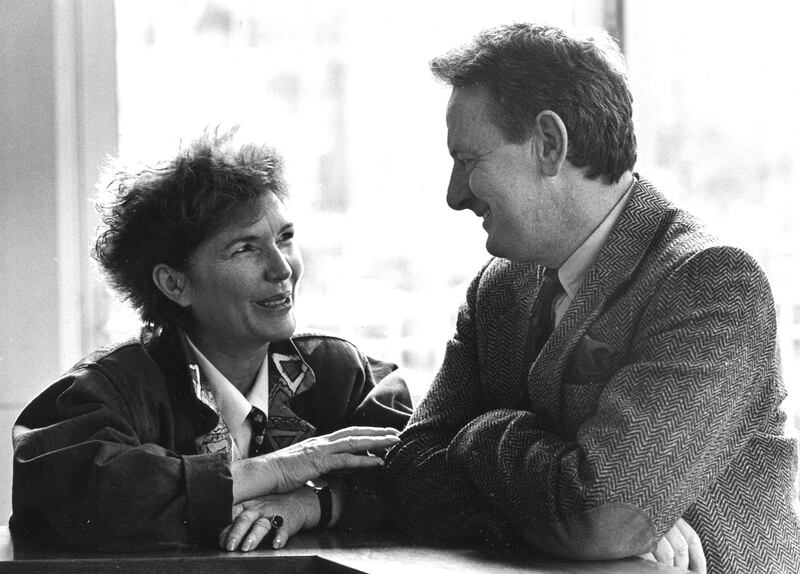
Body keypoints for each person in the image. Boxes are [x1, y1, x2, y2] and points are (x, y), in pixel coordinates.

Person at [385, 22, 800, 574]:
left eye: (468, 160)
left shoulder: (712, 285)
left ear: (550, 145)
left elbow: (601, 513)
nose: (454, 194)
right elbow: (411, 471)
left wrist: (482, 430)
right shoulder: (498, 288)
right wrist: (581, 521)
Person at [11, 130, 412, 552]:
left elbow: (415, 467)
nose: (282, 269)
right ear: (174, 283)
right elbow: (83, 496)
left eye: (285, 238)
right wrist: (278, 469)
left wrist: (308, 503)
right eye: (245, 248)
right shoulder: (107, 393)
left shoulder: (338, 371)